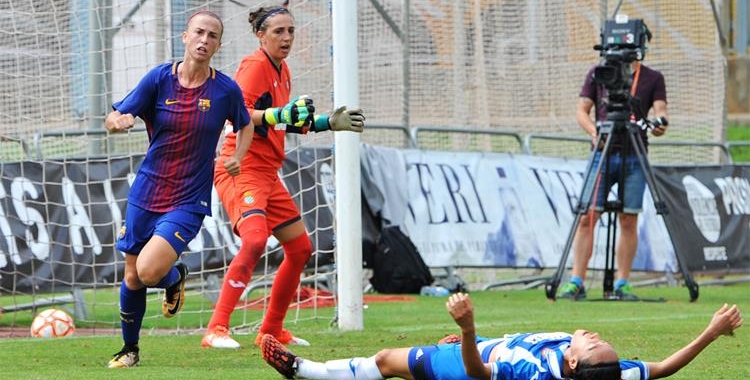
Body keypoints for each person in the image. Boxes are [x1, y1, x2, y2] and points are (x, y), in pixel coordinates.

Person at [201, 4, 365, 349]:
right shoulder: (255, 66)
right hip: (240, 167)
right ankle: (215, 329)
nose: (287, 37)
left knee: (300, 247)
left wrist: (326, 123)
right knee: (256, 240)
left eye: (290, 30)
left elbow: (282, 120)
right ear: (261, 35)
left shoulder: (283, 70)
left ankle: (272, 329)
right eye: (278, 31)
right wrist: (278, 113)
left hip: (267, 174)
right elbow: (237, 115)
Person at [104, 10, 252, 368]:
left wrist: (238, 156)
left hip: (189, 198)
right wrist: (118, 122)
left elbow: (245, 124)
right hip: (147, 190)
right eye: (199, 32)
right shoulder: (158, 79)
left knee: (148, 271)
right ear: (185, 37)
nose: (204, 40)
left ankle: (173, 276)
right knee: (131, 274)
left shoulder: (225, 89)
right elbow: (114, 116)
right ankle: (130, 350)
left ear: (218, 44)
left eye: (213, 35)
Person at [261, 292, 743, 380]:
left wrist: (468, 332)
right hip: (482, 346)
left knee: (388, 359)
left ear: (572, 363)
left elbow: (481, 372)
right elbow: (659, 370)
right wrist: (710, 331)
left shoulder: (532, 372)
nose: (594, 335)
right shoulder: (611, 375)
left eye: (592, 343)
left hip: (470, 364)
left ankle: (301, 370)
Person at [559, 23, 668, 301]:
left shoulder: (653, 77)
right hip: (603, 152)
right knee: (587, 217)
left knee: (628, 218)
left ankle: (622, 282)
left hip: (635, 154)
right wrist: (595, 132)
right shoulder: (598, 74)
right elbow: (582, 111)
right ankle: (576, 281)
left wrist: (659, 124)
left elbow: (661, 113)